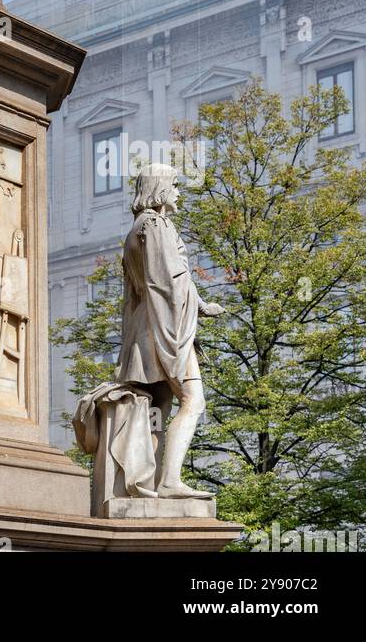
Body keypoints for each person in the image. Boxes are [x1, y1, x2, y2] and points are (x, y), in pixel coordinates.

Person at [116, 163, 224, 498]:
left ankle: (141, 481)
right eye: (174, 185)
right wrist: (200, 309)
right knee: (193, 401)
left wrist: (199, 304)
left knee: (156, 405)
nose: (178, 192)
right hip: (165, 328)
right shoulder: (157, 224)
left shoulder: (135, 229)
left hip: (142, 331)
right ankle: (170, 480)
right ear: (160, 187)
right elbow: (170, 281)